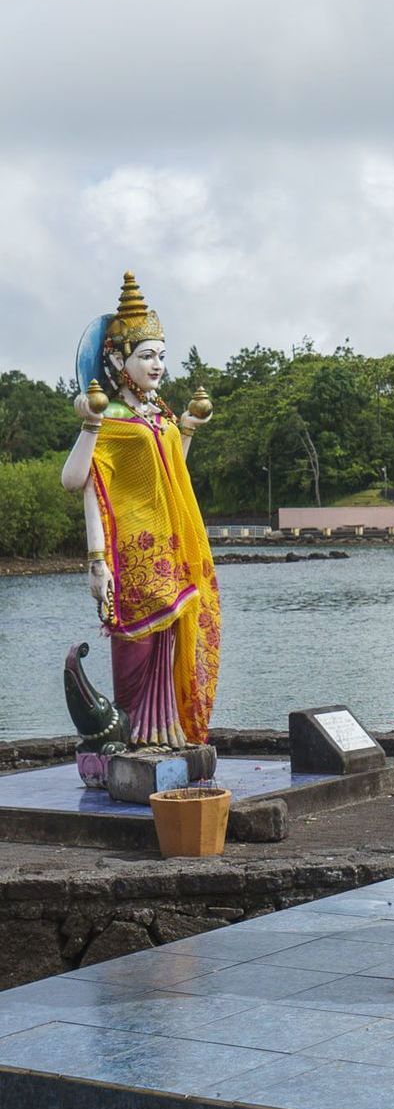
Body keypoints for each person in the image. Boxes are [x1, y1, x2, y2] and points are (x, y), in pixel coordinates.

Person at [58, 272, 220, 750]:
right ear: (116, 359)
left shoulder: (159, 417)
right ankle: (131, 740)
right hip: (129, 553)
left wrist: (185, 429)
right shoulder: (110, 421)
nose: (157, 365)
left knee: (168, 647)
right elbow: (80, 483)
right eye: (146, 355)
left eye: (161, 356)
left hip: (170, 546)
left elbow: (169, 478)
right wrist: (96, 561)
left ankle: (165, 736)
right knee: (136, 647)